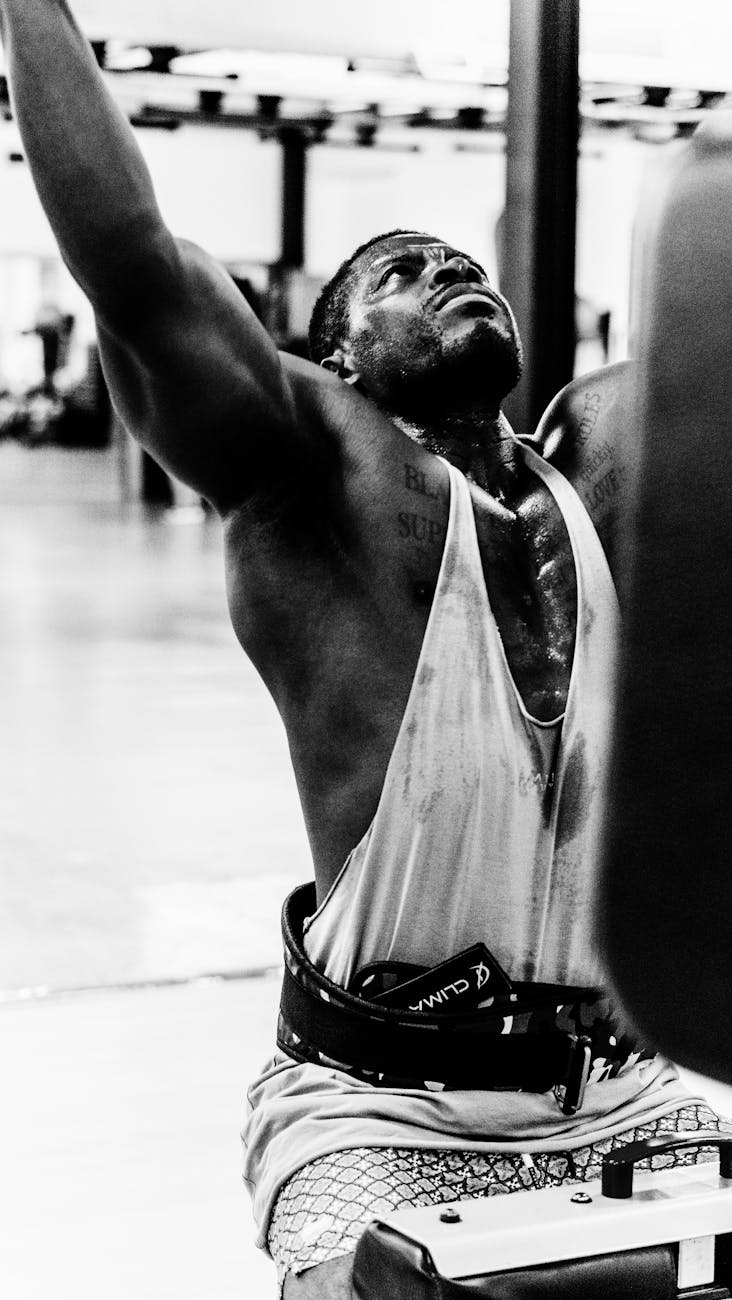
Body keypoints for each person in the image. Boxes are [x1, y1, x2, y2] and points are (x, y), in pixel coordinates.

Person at [0, 5, 726, 1298]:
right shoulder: (314, 486)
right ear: (336, 358)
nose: (454, 266)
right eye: (403, 270)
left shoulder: (609, 464)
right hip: (384, 1120)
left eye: (461, 257)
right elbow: (127, 260)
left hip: (634, 1096)